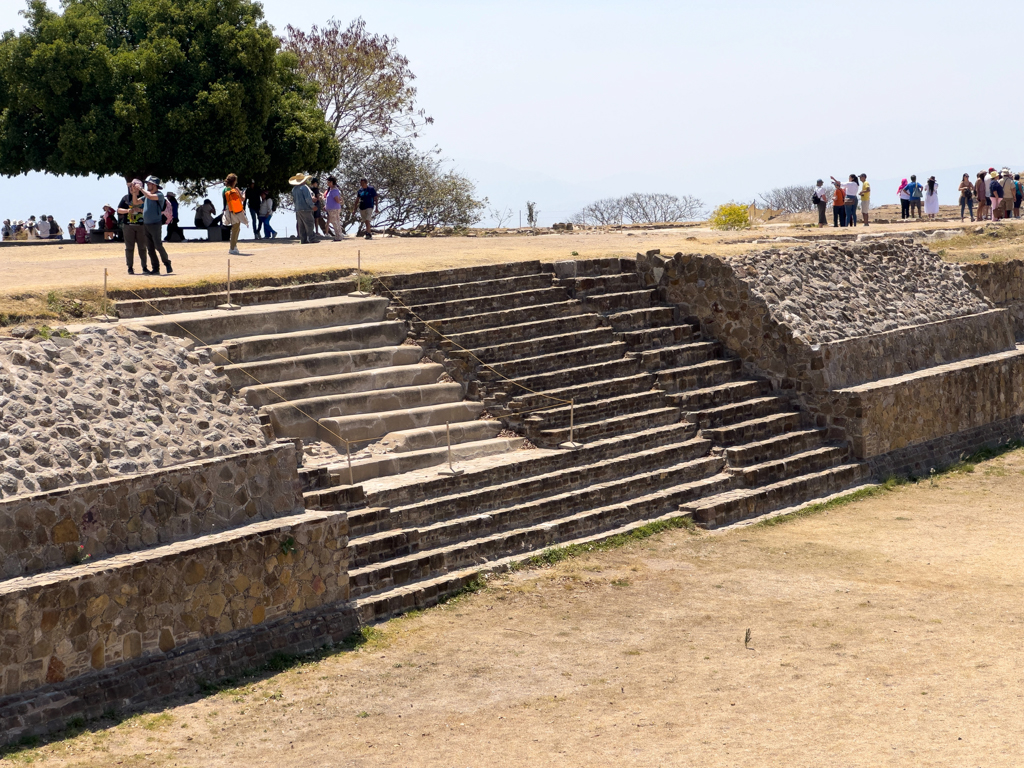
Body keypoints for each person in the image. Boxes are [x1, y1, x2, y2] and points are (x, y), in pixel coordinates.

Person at [140, 176, 173, 274]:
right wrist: (133, 192)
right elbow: (135, 202)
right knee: (150, 248)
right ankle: (155, 268)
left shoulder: (159, 195)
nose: (147, 185)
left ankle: (167, 263)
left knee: (158, 245)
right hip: (146, 224)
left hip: (155, 224)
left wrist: (140, 188)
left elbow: (150, 197)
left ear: (154, 185)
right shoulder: (146, 195)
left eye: (148, 184)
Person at [117, 180, 147, 274]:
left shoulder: (145, 198)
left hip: (141, 226)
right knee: (129, 248)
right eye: (130, 187)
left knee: (142, 247)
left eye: (133, 186)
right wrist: (127, 211)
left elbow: (149, 210)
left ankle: (144, 267)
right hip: (128, 226)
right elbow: (118, 210)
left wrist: (140, 210)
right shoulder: (125, 198)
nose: (131, 188)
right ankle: (130, 267)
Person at [221, 173, 247, 255]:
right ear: (234, 181)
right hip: (235, 210)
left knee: (235, 228)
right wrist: (242, 193)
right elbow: (242, 199)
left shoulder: (224, 190)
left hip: (227, 210)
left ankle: (234, 245)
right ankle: (232, 247)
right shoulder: (234, 190)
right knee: (236, 228)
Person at [289, 172, 318, 244]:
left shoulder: (294, 189)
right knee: (309, 223)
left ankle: (303, 239)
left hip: (298, 209)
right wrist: (313, 206)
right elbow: (308, 199)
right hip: (306, 208)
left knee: (301, 225)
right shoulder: (304, 187)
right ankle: (312, 238)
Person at [324, 176, 345, 240]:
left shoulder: (334, 190)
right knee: (336, 222)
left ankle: (338, 236)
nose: (327, 183)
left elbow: (337, 200)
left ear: (331, 182)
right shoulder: (331, 190)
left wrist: (340, 201)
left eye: (328, 182)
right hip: (332, 209)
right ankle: (339, 235)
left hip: (334, 209)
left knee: (335, 222)